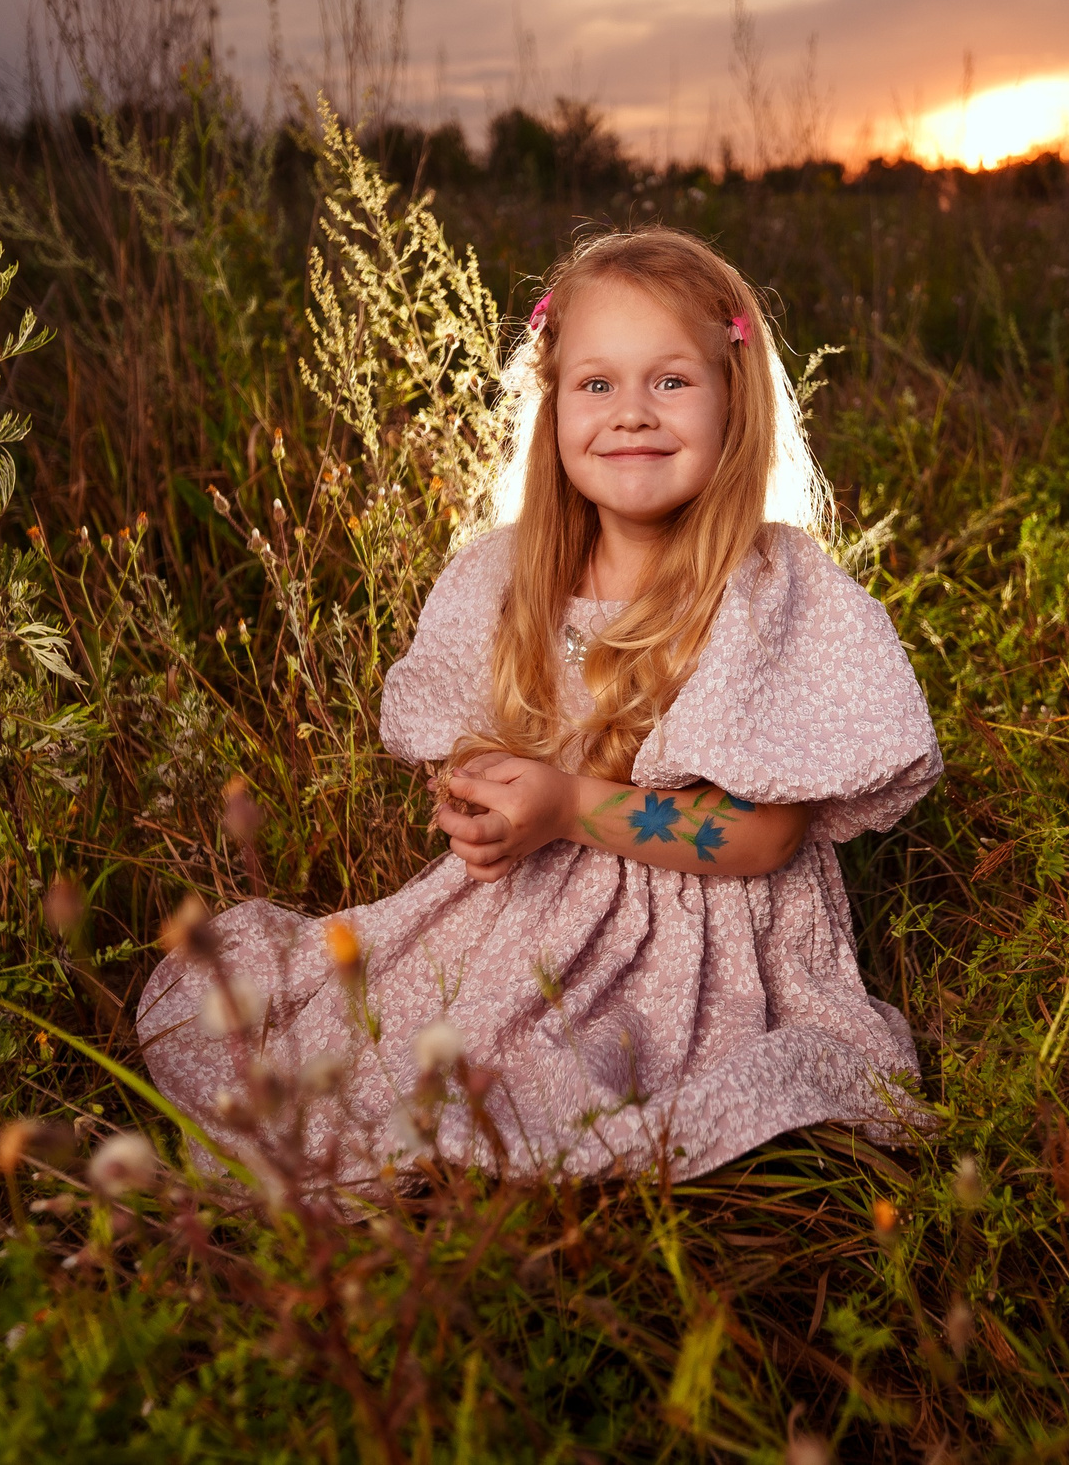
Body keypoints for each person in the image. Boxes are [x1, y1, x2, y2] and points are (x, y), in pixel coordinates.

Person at [135, 228, 940, 1183]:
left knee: (578, 1087)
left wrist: (564, 804)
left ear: (736, 397)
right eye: (596, 385)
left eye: (671, 381)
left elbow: (765, 840)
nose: (631, 413)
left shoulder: (766, 589)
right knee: (380, 1059)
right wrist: (479, 800)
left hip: (705, 937)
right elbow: (475, 753)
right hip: (530, 900)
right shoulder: (512, 579)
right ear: (553, 406)